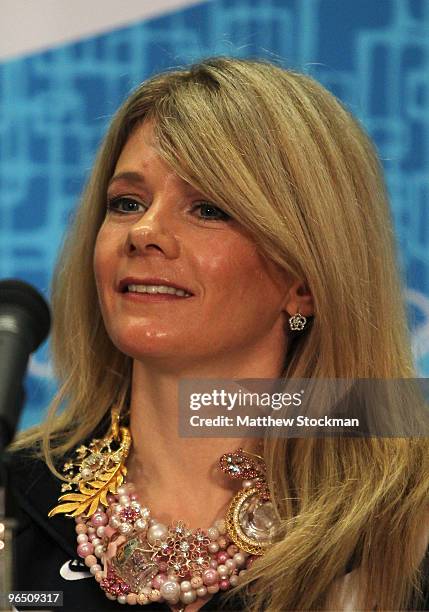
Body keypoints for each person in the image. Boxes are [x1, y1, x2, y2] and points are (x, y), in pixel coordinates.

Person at [4, 56, 429, 612]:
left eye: (208, 209)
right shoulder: (20, 496)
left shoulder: (404, 522)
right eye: (127, 203)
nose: (145, 232)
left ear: (305, 281)